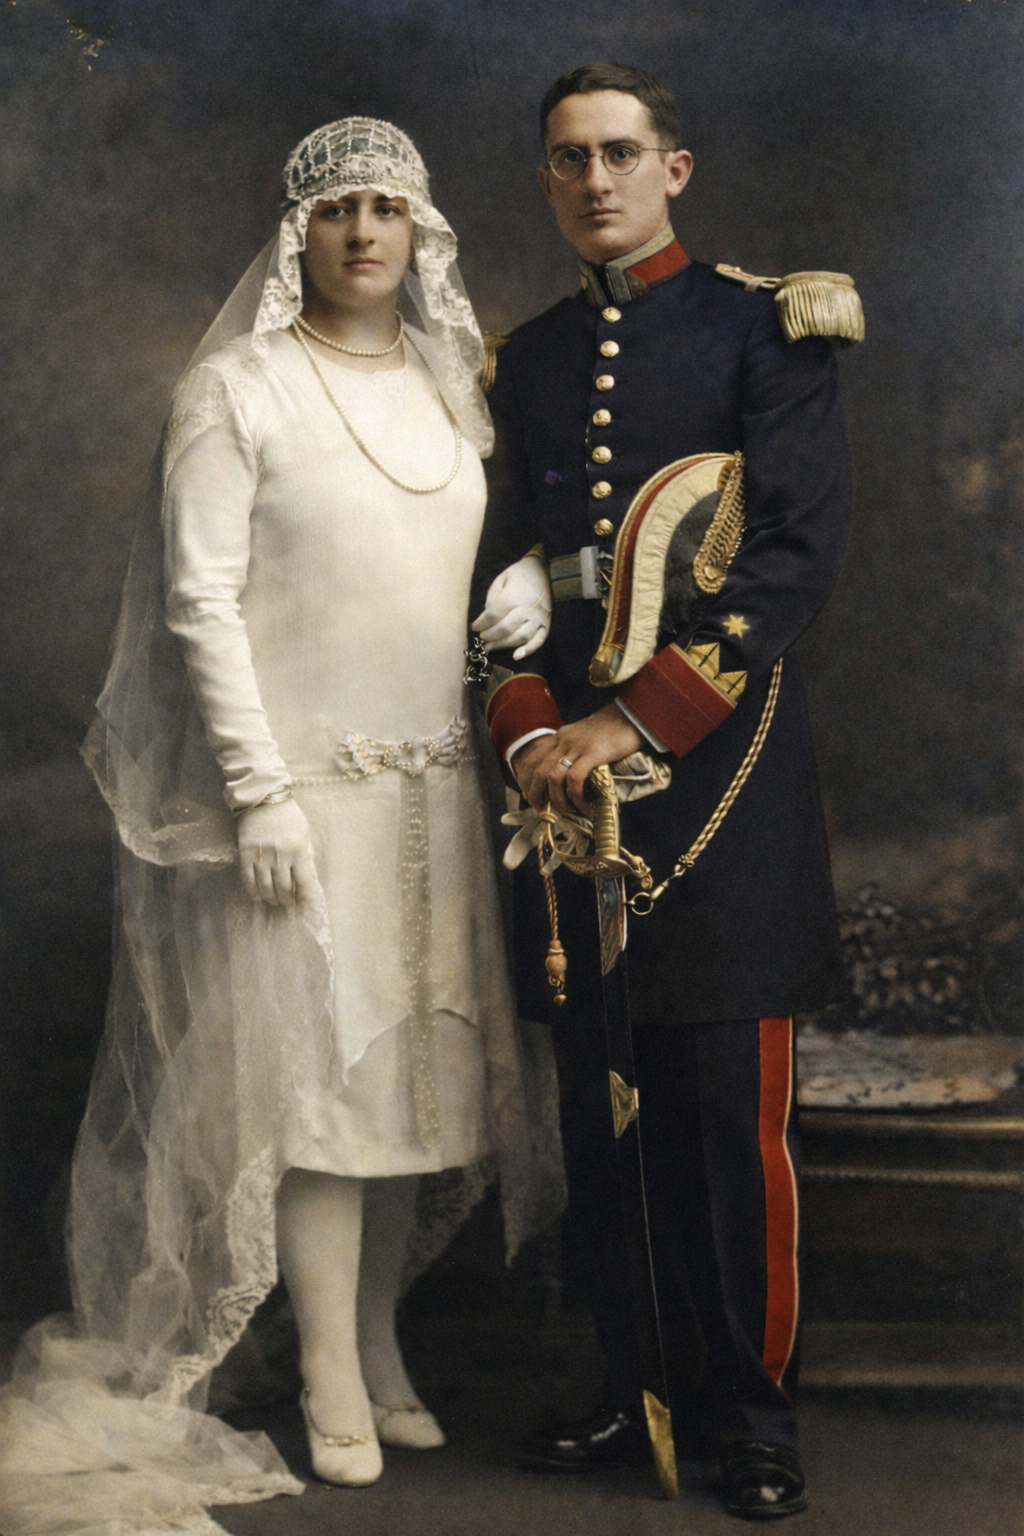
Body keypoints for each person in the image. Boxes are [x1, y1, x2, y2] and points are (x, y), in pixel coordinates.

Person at [0, 118, 563, 1535]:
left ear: (420, 234)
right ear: (297, 234)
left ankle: (378, 1347)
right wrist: (256, 790)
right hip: (304, 805)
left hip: (439, 795)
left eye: (388, 210)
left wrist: (541, 577)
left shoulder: (454, 389)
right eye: (336, 212)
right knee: (320, 1100)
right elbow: (199, 604)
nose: (362, 233)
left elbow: (482, 544)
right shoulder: (237, 388)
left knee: (416, 1098)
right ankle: (321, 1369)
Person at [471, 63, 858, 1520]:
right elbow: (487, 594)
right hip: (572, 809)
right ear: (548, 181)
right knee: (605, 1111)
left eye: (621, 154)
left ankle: (754, 1418)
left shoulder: (772, 327)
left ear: (676, 168)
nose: (595, 182)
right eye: (568, 160)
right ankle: (628, 1386)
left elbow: (789, 567)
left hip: (724, 788)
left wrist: (634, 721)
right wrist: (529, 736)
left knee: (728, 1127)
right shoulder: (529, 363)